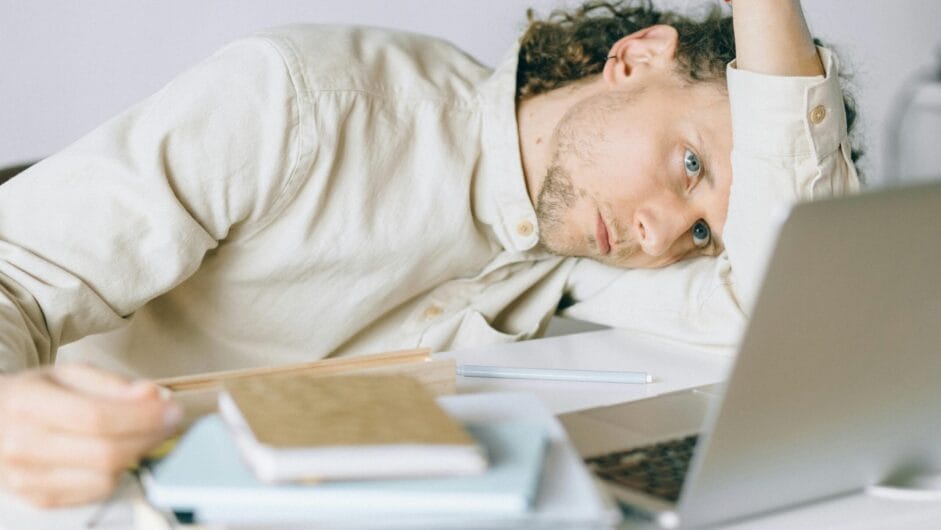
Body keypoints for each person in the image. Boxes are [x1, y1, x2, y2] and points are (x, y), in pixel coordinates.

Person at [0, 0, 858, 507]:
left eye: (704, 228)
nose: (664, 234)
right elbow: (15, 275)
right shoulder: (305, 102)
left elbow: (792, 310)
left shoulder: (570, 255)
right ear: (634, 59)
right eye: (691, 164)